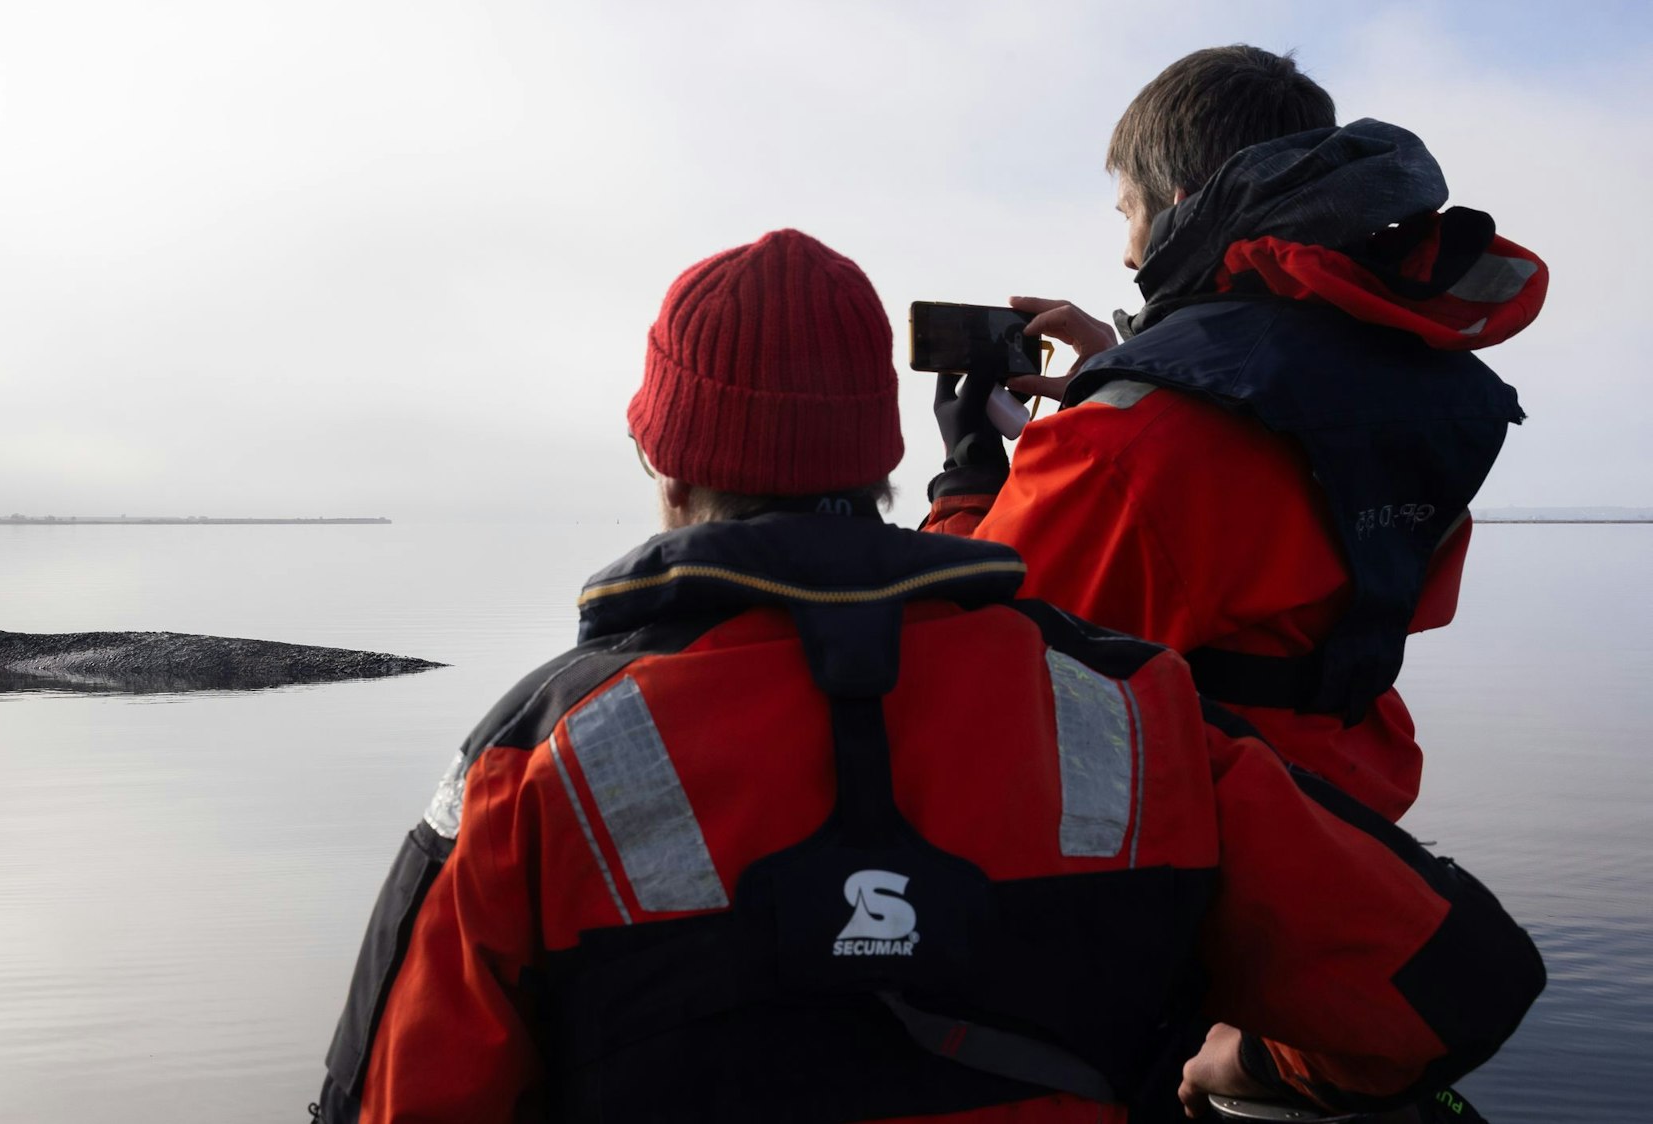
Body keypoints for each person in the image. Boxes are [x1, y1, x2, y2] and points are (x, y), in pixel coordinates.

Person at [308, 229, 1543, 1123]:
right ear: (880, 465)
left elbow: (397, 1097)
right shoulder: (1142, 718)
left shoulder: (531, 761)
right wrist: (1250, 1065)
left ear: (670, 467)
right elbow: (1457, 986)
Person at [925, 46, 1546, 825]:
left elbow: (975, 660)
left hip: (1193, 842)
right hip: (1349, 822)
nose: (1124, 250)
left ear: (1180, 200)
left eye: (1126, 210)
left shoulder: (1128, 440)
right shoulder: (1419, 380)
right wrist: (1132, 368)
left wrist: (965, 483)